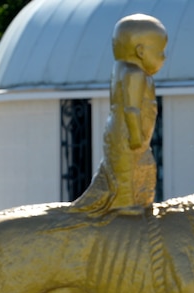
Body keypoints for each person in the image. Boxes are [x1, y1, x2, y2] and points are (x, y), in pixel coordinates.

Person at [70, 14, 168, 215]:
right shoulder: (134, 73)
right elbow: (131, 108)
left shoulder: (121, 68)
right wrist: (135, 135)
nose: (164, 58)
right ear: (140, 51)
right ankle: (125, 204)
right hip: (127, 134)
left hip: (122, 132)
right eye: (160, 52)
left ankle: (136, 200)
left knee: (136, 168)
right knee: (126, 171)